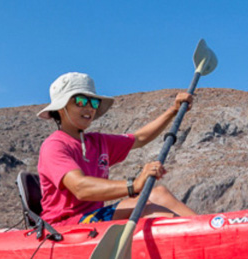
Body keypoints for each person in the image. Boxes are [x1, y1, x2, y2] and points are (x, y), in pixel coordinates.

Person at [37, 72, 198, 225]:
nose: (89, 108)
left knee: (159, 193)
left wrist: (173, 111)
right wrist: (133, 185)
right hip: (67, 225)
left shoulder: (98, 141)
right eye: (80, 101)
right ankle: (200, 236)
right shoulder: (54, 145)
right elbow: (80, 188)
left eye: (94, 102)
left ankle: (213, 230)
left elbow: (140, 138)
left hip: (95, 217)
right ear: (61, 107)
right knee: (147, 208)